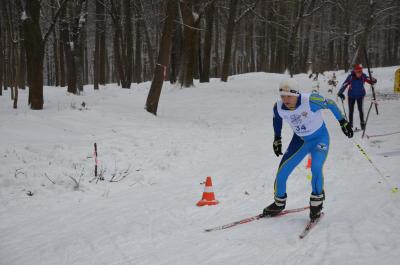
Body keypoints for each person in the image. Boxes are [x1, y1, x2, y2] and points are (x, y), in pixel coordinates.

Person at [263, 78, 353, 221]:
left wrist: (342, 122)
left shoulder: (310, 100)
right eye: (282, 95)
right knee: (282, 172)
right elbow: (277, 120)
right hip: (300, 141)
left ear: (296, 94)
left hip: (319, 139)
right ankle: (279, 203)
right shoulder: (278, 107)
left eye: (289, 96)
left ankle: (316, 203)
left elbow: (330, 104)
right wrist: (277, 138)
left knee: (316, 167)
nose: (285, 99)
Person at [337, 64, 377, 130]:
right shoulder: (350, 77)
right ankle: (350, 124)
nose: (359, 73)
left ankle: (362, 123)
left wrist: (373, 79)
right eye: (358, 72)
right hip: (351, 96)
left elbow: (371, 81)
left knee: (360, 110)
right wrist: (340, 92)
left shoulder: (363, 76)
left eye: (360, 72)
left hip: (360, 95)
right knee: (351, 110)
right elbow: (344, 84)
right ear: (355, 71)